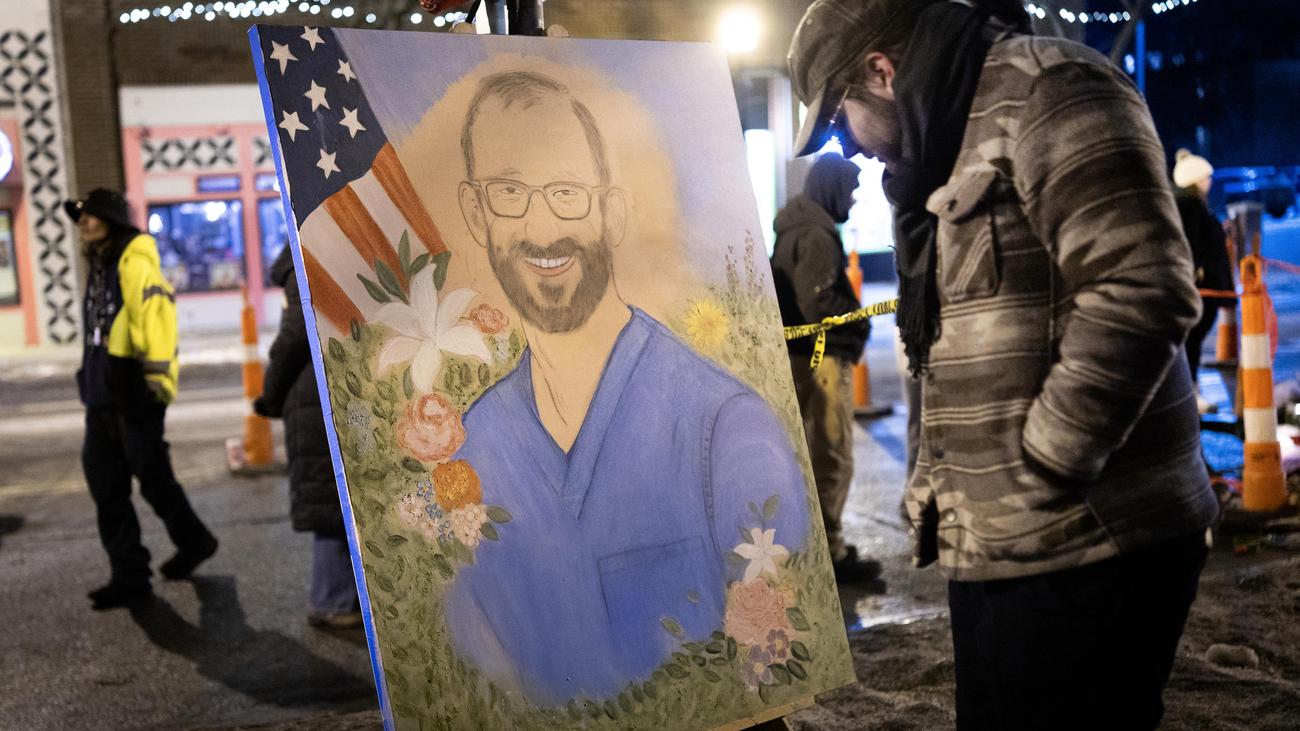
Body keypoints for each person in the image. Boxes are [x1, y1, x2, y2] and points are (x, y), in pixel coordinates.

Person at [788, 1, 1218, 728]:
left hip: (1088, 539)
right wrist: (943, 490)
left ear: (882, 72)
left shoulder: (1051, 89)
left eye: (838, 118)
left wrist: (1045, 464)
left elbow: (1141, 287)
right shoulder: (945, 141)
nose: (848, 148)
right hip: (1001, 544)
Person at [443, 70, 810, 705]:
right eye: (509, 193)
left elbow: (775, 674)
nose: (540, 228)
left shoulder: (727, 429)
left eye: (567, 193)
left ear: (611, 212)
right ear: (477, 214)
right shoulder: (474, 444)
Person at [66, 188, 218, 610]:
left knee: (153, 479)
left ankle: (195, 541)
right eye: (81, 217)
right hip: (101, 395)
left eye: (91, 215)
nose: (84, 222)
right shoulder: (100, 264)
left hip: (132, 392)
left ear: (112, 219)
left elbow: (155, 322)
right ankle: (130, 576)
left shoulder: (133, 260)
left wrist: (153, 386)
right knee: (106, 485)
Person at [770, 152, 879, 581]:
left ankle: (816, 547)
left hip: (801, 356)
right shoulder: (816, 234)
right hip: (822, 358)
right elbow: (819, 301)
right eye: (850, 191)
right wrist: (859, 323)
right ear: (832, 189)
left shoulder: (794, 226)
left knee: (809, 455)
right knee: (831, 454)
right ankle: (831, 553)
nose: (852, 200)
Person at [254, 245, 361, 629]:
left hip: (316, 396)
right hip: (317, 398)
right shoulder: (306, 261)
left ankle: (336, 596)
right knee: (331, 502)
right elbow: (295, 337)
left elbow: (293, 338)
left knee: (333, 500)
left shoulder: (306, 258)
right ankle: (332, 599)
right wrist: (270, 395)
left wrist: (272, 396)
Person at [1172, 149, 1235, 412]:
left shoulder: (1191, 206)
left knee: (1191, 341)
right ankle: (1189, 392)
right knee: (1191, 341)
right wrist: (1195, 275)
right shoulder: (1190, 207)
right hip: (1201, 288)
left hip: (1203, 286)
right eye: (1205, 177)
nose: (1209, 182)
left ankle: (1189, 390)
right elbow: (1192, 244)